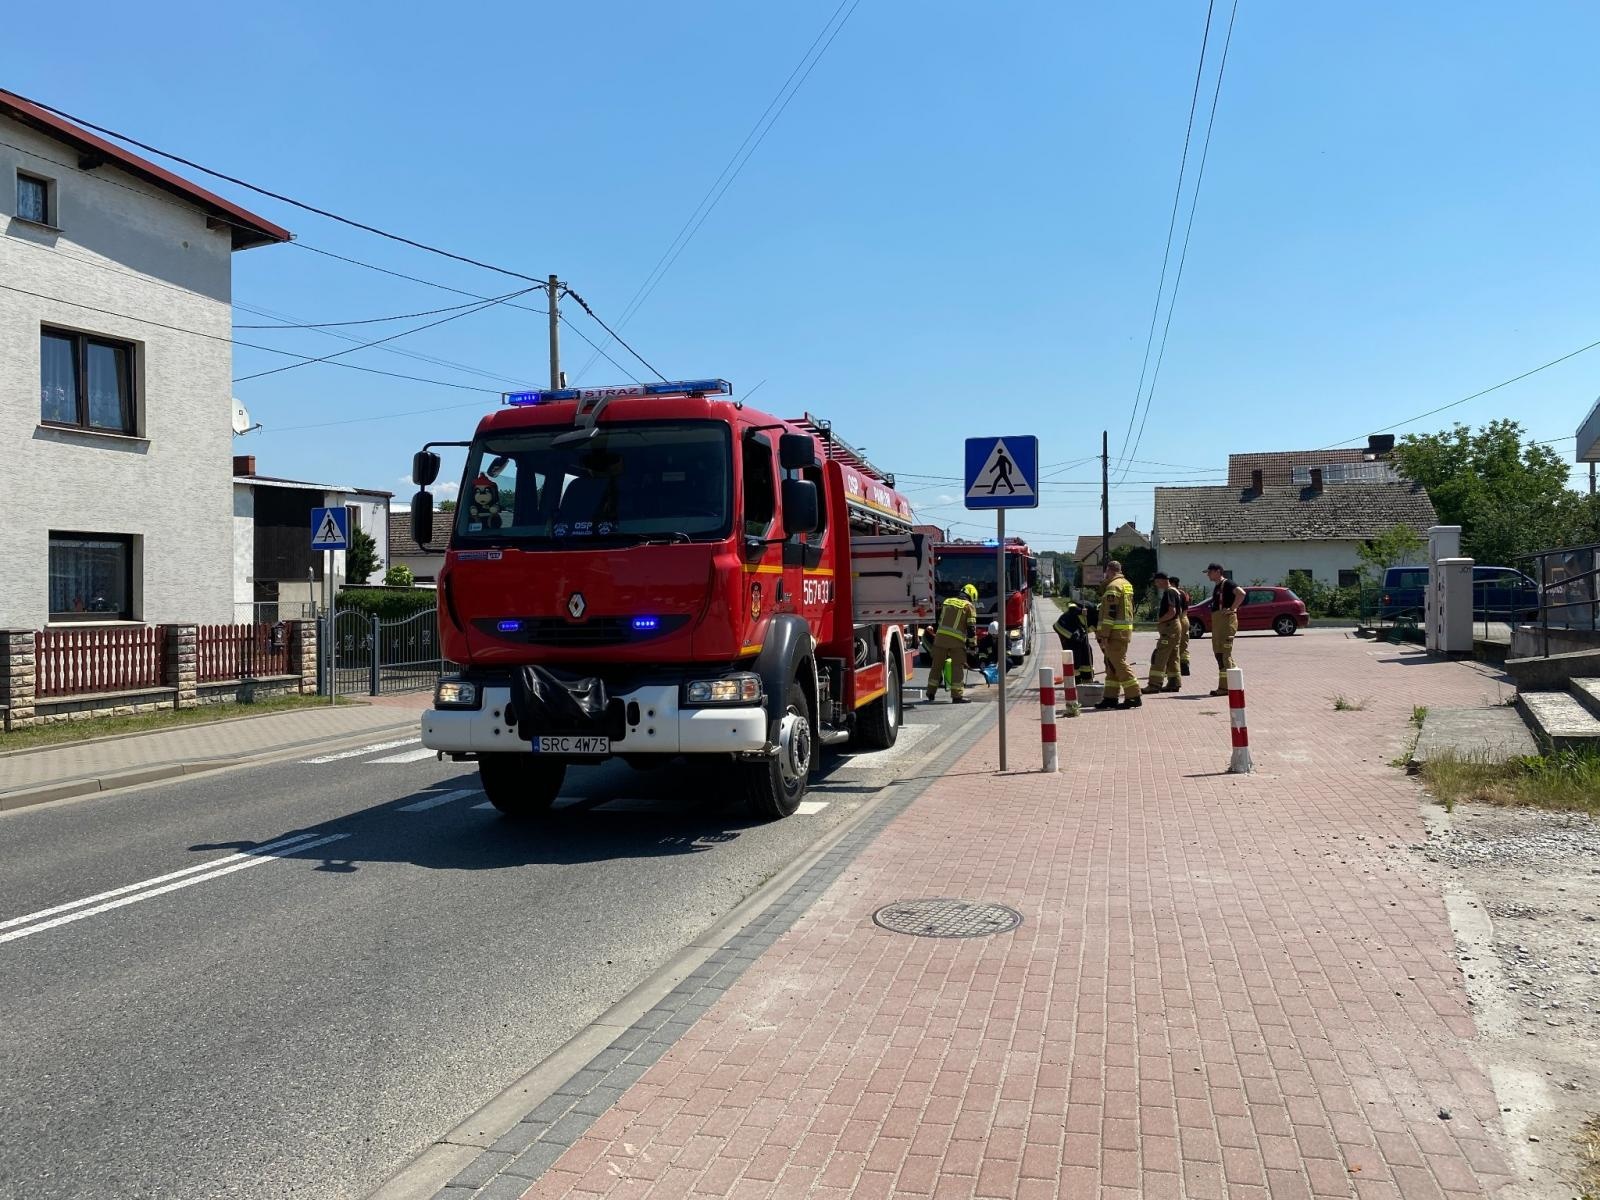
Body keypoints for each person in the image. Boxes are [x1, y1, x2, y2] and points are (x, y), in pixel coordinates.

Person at [1096, 560, 1141, 709]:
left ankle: (1134, 695)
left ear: (1110, 570)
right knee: (1112, 665)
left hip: (1114, 633)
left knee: (1119, 664)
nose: (1105, 575)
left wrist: (1104, 634)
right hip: (1122, 631)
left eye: (1106, 572)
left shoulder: (1113, 586)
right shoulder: (1126, 584)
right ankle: (1110, 697)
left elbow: (1110, 613)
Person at [926, 583, 979, 704]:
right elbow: (971, 628)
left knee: (936, 666)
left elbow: (939, 620)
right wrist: (973, 645)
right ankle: (957, 696)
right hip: (956, 641)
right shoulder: (968, 606)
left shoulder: (947, 602)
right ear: (971, 596)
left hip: (939, 639)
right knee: (957, 667)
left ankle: (930, 693)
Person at [1207, 562, 1244, 696]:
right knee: (1219, 653)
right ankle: (1234, 683)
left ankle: (1226, 687)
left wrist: (1233, 608)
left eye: (1210, 572)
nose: (1208, 575)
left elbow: (1241, 593)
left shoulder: (1227, 583)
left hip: (1226, 622)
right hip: (1218, 622)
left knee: (1224, 654)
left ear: (1218, 571)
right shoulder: (1218, 586)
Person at [1147, 572, 1183, 693]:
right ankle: (1174, 682)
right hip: (1175, 627)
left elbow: (1172, 611)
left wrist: (1160, 620)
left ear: (1162, 580)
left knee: (1160, 656)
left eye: (1156, 581)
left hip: (1169, 627)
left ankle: (1154, 684)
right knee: (1173, 656)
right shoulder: (1176, 591)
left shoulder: (1169, 592)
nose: (1155, 584)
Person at [1052, 596, 1098, 682]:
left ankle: (1087, 678)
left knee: (1087, 650)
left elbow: (1099, 637)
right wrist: (1081, 611)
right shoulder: (1088, 606)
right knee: (1075, 652)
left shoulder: (1099, 622)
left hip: (1078, 632)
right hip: (1065, 628)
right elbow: (1070, 605)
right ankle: (1076, 679)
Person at [1170, 574, 1191, 677]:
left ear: (1173, 583)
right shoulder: (1184, 593)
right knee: (1184, 644)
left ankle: (1174, 668)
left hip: (1177, 620)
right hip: (1185, 619)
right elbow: (1186, 608)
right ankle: (1185, 667)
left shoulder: (1173, 593)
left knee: (1174, 644)